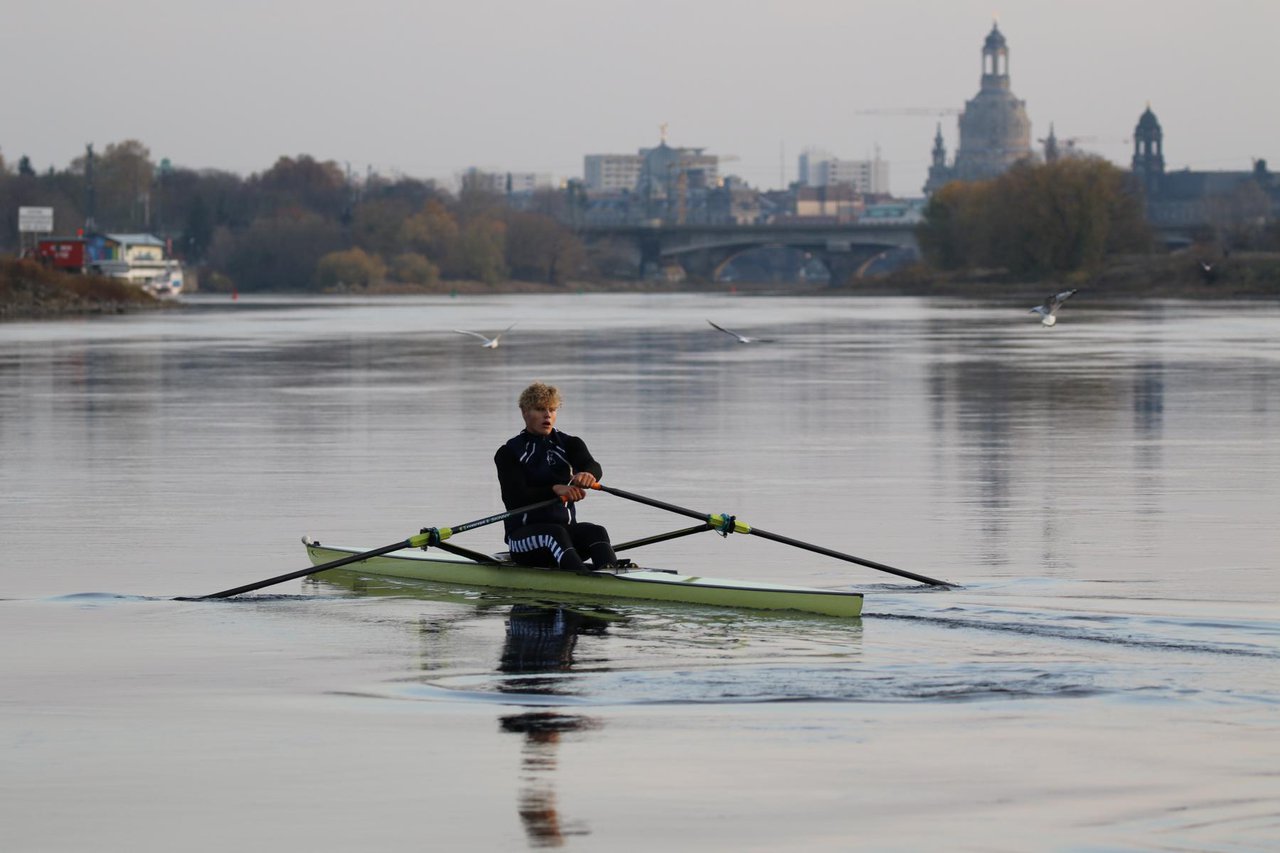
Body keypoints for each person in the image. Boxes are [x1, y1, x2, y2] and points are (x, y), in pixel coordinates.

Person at [494, 382, 618, 574]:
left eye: (552, 410)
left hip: (563, 536)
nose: (547, 415)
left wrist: (587, 474)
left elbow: (591, 465)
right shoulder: (509, 453)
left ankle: (612, 573)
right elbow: (514, 498)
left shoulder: (570, 444)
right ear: (525, 412)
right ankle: (582, 579)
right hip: (523, 540)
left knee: (596, 531)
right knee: (555, 534)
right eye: (540, 409)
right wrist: (554, 489)